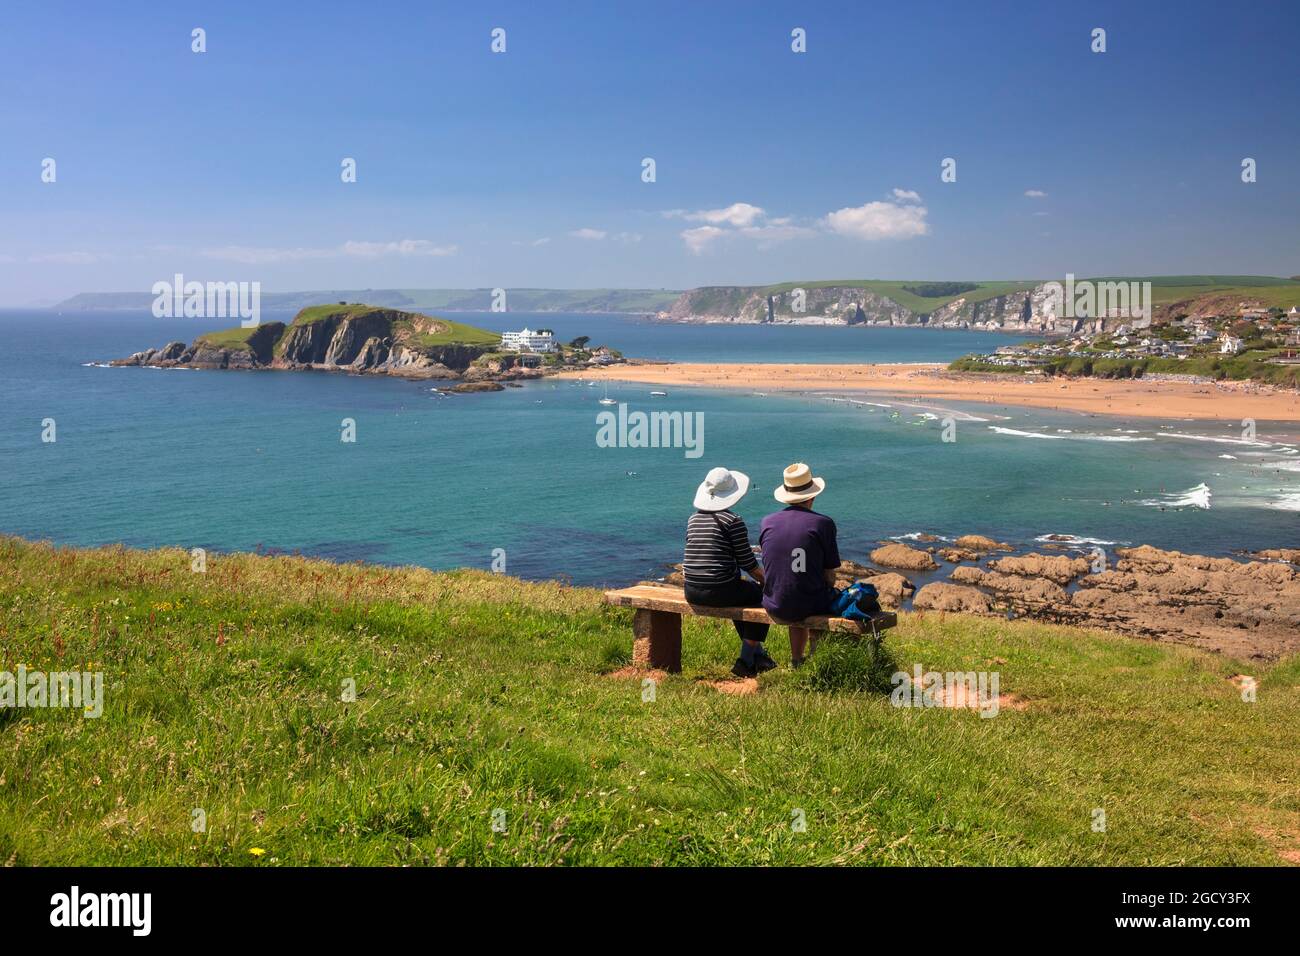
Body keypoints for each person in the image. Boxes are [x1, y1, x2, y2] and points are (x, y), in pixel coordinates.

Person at [682, 466, 774, 678]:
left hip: (691, 590)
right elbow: (749, 564)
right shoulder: (732, 521)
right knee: (761, 596)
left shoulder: (693, 519)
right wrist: (768, 582)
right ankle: (745, 660)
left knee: (743, 596)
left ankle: (758, 656)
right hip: (720, 591)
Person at [759, 462, 842, 666]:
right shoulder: (823, 523)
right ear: (812, 496)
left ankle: (797, 659)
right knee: (814, 594)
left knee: (793, 588)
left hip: (774, 603)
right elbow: (830, 575)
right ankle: (820, 661)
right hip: (807, 602)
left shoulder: (767, 521)